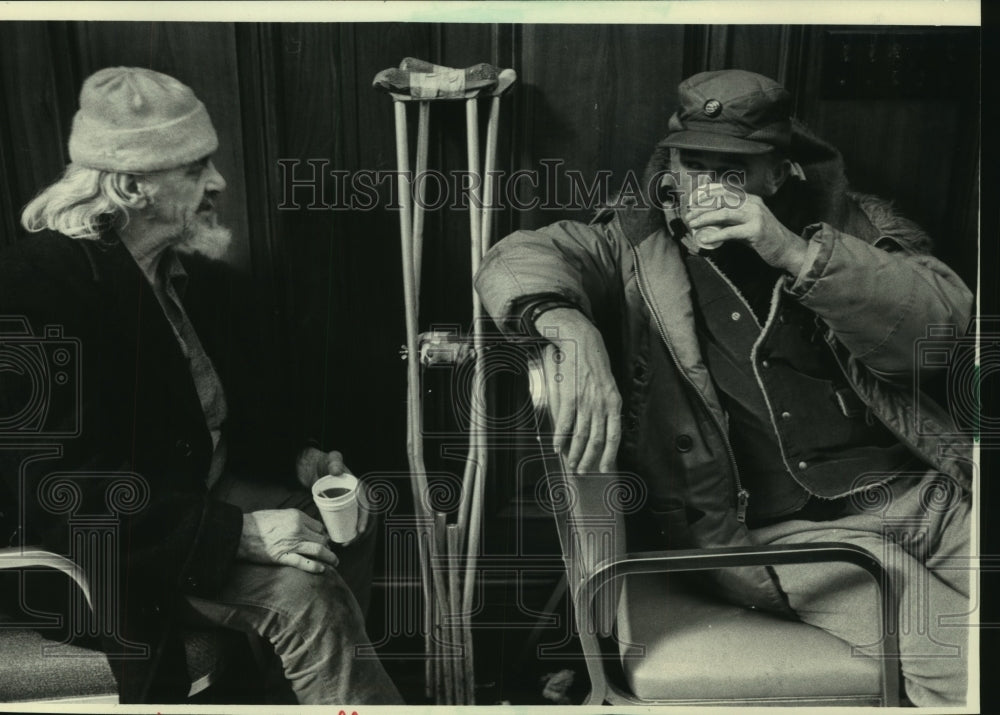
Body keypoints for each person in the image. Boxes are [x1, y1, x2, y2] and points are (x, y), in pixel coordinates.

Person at [475, 69, 973, 706]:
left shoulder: (852, 226)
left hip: (934, 495)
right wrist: (571, 331)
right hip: (806, 543)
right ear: (669, 164)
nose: (706, 186)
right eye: (692, 163)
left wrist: (792, 252)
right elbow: (512, 258)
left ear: (780, 171)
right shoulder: (630, 247)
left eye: (734, 169)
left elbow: (941, 332)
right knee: (967, 658)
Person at [0, 67, 402, 704]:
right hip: (112, 552)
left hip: (199, 496)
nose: (217, 182)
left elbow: (208, 420)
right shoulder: (30, 296)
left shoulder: (178, 273)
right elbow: (55, 493)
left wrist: (297, 460)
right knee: (306, 592)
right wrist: (234, 533)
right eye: (193, 169)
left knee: (352, 517)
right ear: (131, 186)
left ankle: (286, 696)